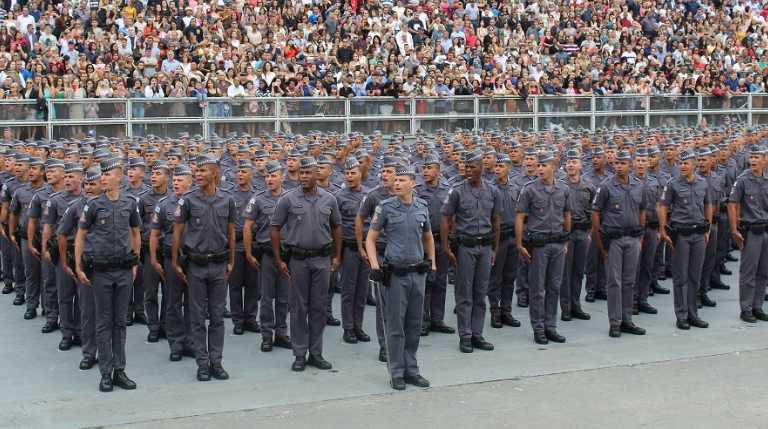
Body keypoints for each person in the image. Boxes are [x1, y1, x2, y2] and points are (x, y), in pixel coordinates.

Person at [74, 158, 141, 392]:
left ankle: (120, 370)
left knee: (120, 322)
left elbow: (135, 232)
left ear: (119, 177)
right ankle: (105, 372)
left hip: (123, 270)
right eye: (101, 174)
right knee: (103, 322)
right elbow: (81, 236)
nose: (103, 177)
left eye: (107, 174)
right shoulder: (92, 205)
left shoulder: (129, 203)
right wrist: (79, 266)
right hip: (101, 271)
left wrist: (135, 261)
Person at [366, 164, 435, 391]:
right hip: (395, 275)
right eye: (395, 180)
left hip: (418, 273)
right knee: (395, 326)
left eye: (401, 180)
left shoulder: (422, 207)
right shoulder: (385, 207)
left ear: (412, 184)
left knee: (414, 324)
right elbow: (371, 239)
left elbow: (428, 237)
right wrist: (375, 266)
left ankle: (411, 370)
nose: (396, 184)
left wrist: (432, 262)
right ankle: (396, 372)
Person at [271, 156, 342, 372]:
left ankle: (316, 353)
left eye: (307, 173)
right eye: (301, 173)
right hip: (298, 260)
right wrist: (279, 259)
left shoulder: (329, 199)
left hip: (321, 259)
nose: (303, 177)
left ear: (316, 175)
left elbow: (337, 227)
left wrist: (337, 256)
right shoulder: (288, 199)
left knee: (318, 307)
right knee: (299, 308)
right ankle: (300, 353)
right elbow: (275, 227)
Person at [172, 153, 236, 382]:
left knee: (217, 317)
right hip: (196, 265)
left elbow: (230, 231)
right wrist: (175, 260)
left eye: (202, 171)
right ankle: (202, 363)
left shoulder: (227, 200)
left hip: (219, 265)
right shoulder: (188, 200)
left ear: (215, 173)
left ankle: (216, 362)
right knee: (197, 317)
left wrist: (231, 260)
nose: (198, 175)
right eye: (196, 171)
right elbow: (178, 231)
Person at [441, 149, 500, 353]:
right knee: (464, 293)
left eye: (472, 166)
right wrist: (447, 247)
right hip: (465, 246)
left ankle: (477, 334)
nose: (467, 170)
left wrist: (495, 248)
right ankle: (465, 335)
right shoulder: (457, 190)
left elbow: (496, 220)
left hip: (484, 246)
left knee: (480, 292)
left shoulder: (492, 191)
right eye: (466, 166)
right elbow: (446, 218)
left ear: (481, 168)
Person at [515, 151, 571, 344]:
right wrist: (520, 243)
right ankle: (538, 328)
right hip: (538, 245)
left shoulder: (563, 189)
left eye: (543, 165)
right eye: (538, 165)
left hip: (557, 243)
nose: (539, 168)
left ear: (554, 167)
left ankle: (551, 326)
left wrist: (566, 239)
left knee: (554, 286)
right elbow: (520, 217)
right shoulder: (529, 189)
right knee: (538, 289)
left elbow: (567, 214)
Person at [592, 150, 647, 338]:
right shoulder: (605, 186)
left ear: (630, 164)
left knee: (629, 281)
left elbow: (642, 210)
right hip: (613, 239)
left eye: (623, 163)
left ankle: (627, 319)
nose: (619, 166)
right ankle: (615, 322)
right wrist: (600, 244)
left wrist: (640, 235)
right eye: (616, 163)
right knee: (614, 282)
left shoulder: (639, 186)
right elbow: (596, 213)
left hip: (632, 238)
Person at [658, 148, 713, 330]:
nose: (682, 166)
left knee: (694, 276)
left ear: (694, 165)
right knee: (680, 277)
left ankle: (693, 313)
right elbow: (663, 206)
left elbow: (708, 204)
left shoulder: (703, 183)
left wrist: (708, 227)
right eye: (681, 162)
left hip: (698, 234)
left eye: (686, 163)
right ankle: (681, 315)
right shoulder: (672, 183)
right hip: (680, 235)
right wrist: (663, 230)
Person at [243, 160, 292, 352]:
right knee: (266, 297)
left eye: (273, 176)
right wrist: (248, 253)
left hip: (287, 255)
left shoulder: (290, 198)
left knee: (284, 298)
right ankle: (266, 335)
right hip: (267, 255)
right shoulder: (258, 199)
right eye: (267, 176)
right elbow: (247, 227)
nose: (269, 179)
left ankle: (281, 333)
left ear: (283, 177)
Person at [149, 165, 194, 362]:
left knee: (193, 303)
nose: (175, 183)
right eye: (174, 180)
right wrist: (153, 259)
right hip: (171, 258)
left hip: (193, 259)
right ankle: (176, 343)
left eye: (180, 180)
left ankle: (191, 341)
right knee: (173, 301)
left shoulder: (197, 203)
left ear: (190, 183)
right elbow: (154, 234)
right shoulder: (164, 204)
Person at [56, 165, 97, 370]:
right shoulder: (75, 206)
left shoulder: (118, 205)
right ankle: (78, 341)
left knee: (105, 314)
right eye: (86, 184)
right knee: (80, 304)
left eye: (92, 184)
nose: (88, 188)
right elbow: (61, 234)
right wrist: (65, 261)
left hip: (109, 265)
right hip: (81, 260)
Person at [727, 144, 768, 323]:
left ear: (765, 160)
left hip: (766, 230)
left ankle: (757, 306)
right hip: (751, 231)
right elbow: (732, 204)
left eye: (757, 157)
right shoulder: (743, 179)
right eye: (752, 157)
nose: (753, 161)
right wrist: (735, 229)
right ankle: (746, 308)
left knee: (764, 272)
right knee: (748, 272)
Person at [415, 153, 455, 335]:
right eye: (424, 168)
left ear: (438, 171)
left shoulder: (448, 190)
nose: (425, 171)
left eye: (429, 168)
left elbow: (453, 216)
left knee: (440, 281)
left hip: (442, 240)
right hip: (423, 242)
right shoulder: (416, 190)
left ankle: (437, 319)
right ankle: (423, 320)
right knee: (425, 282)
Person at [335, 157, 371, 344]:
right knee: (349, 290)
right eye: (347, 173)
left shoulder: (369, 195)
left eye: (353, 173)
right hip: (348, 248)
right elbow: (335, 227)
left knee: (362, 289)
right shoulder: (339, 197)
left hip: (366, 249)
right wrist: (337, 254)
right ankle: (348, 328)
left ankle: (359, 326)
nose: (349, 176)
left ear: (361, 175)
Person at [9, 157, 46, 320]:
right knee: (31, 273)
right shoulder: (20, 191)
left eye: (35, 168)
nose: (31, 171)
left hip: (46, 240)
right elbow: (14, 213)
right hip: (26, 237)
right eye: (29, 168)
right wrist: (11, 233)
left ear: (43, 171)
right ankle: (31, 306)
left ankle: (48, 307)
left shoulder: (50, 192)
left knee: (47, 275)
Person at [488, 153, 521, 329]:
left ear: (509, 168)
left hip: (512, 238)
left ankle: (506, 311)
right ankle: (495, 312)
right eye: (496, 167)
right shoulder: (489, 188)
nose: (497, 170)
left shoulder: (515, 187)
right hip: (497, 239)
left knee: (510, 276)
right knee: (495, 278)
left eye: (501, 167)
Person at [560, 149, 593, 321]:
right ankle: (565, 307)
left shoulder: (588, 186)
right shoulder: (559, 185)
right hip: (565, 234)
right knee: (565, 272)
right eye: (568, 162)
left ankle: (576, 305)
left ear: (580, 165)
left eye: (574, 162)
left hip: (582, 232)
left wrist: (590, 233)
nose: (571, 165)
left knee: (579, 271)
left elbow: (594, 211)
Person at [139, 161, 169, 343]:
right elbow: (136, 224)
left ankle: (165, 325)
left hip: (167, 252)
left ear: (167, 177)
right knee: (150, 292)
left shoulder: (175, 198)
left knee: (169, 292)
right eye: (152, 174)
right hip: (150, 251)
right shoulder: (143, 199)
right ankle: (153, 326)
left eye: (158, 174)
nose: (154, 177)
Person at [229, 159, 260, 335]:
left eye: (244, 171)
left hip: (253, 245)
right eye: (238, 171)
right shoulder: (229, 195)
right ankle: (238, 320)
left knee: (252, 285)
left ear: (251, 174)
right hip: (235, 246)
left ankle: (250, 318)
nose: (240, 174)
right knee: (234, 286)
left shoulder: (257, 194)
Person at [632, 147, 661, 316]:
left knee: (647, 265)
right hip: (635, 230)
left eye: (644, 160)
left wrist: (659, 229)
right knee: (634, 267)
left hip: (651, 228)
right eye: (639, 160)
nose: (642, 163)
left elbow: (659, 205)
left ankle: (643, 299)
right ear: (633, 163)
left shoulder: (654, 182)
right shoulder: (629, 182)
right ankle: (633, 301)